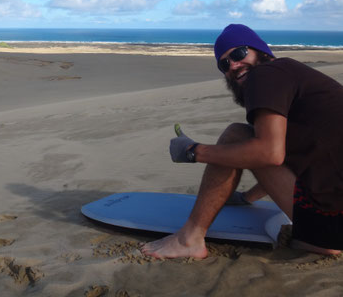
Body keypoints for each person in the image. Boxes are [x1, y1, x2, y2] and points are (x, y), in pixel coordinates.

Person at [141, 24, 343, 259]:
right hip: (334, 221)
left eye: (238, 54)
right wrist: (248, 197)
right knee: (256, 140)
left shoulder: (267, 74)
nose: (233, 66)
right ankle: (318, 238)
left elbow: (270, 154)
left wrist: (192, 151)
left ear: (260, 51)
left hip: (331, 226)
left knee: (236, 136)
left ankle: (190, 239)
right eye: (224, 65)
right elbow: (290, 154)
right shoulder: (295, 80)